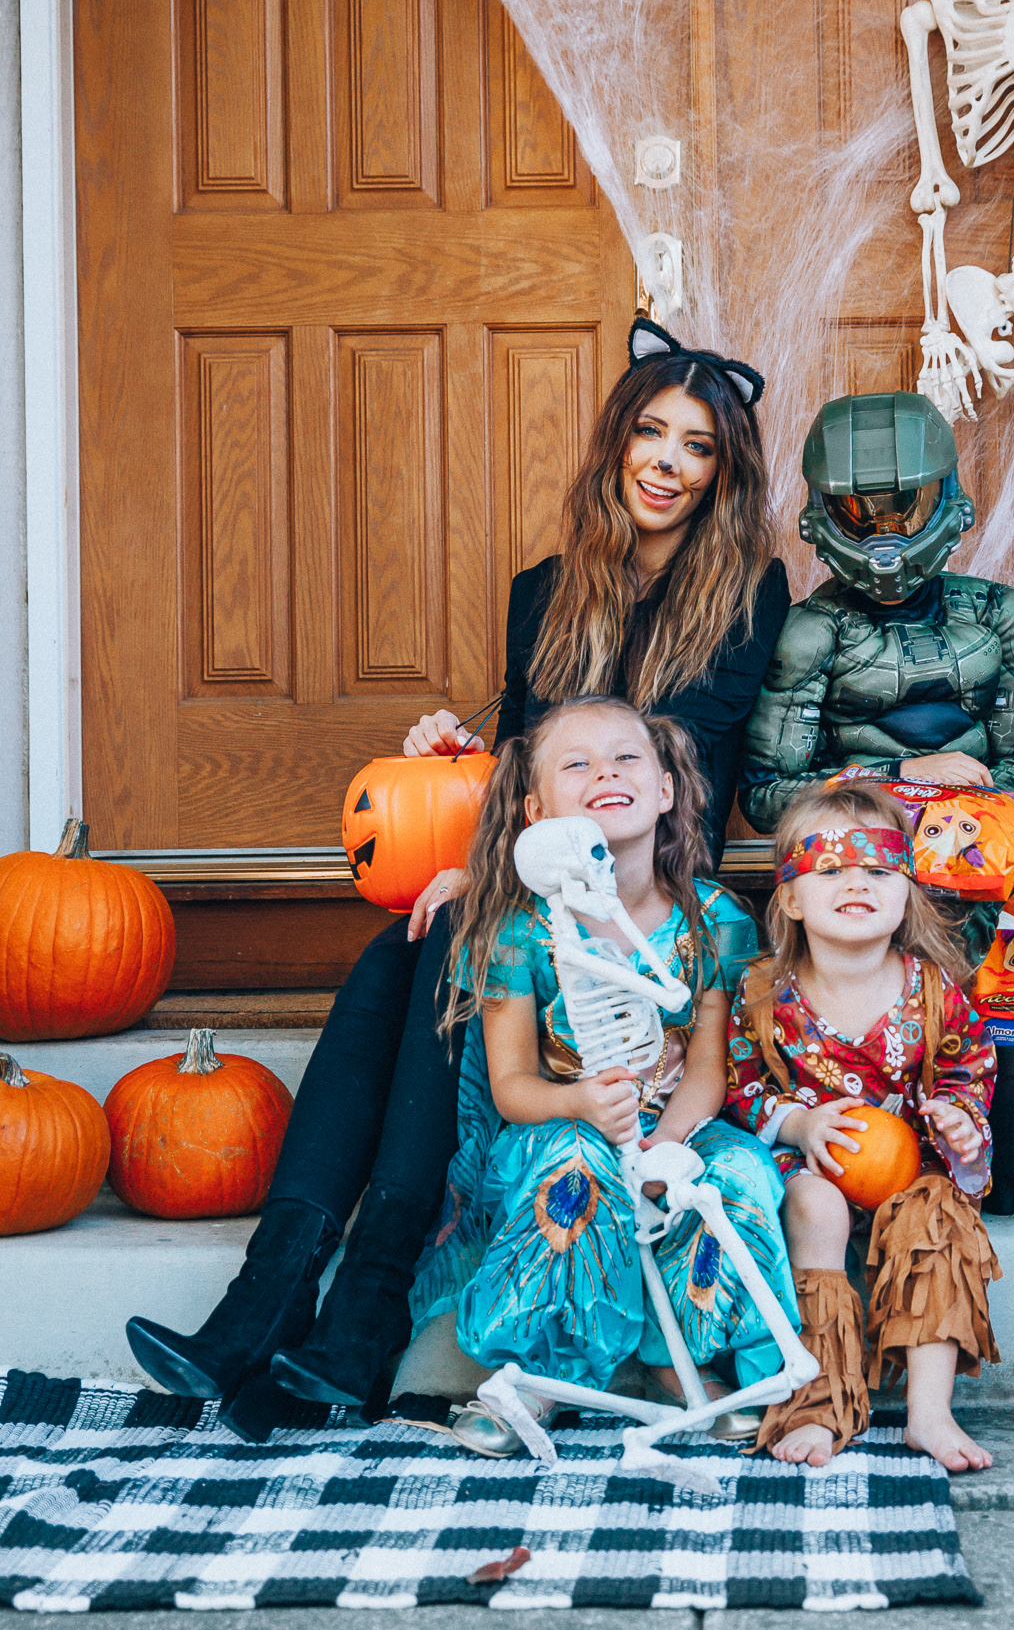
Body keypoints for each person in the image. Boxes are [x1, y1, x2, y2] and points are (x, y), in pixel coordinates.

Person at [125, 320, 789, 1440]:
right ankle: (275, 1299)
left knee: (451, 946)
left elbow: (649, 758)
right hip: (536, 862)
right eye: (648, 433)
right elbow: (528, 763)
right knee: (398, 952)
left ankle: (353, 1315)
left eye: (697, 445)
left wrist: (510, 834)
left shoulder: (746, 591)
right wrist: (466, 798)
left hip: (643, 885)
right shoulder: (545, 589)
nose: (667, 462)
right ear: (614, 447)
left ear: (724, 472)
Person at [410, 695, 797, 1457]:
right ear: (534, 810)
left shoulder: (714, 917)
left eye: (625, 759)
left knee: (738, 1173)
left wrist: (665, 1144)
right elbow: (512, 1085)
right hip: (558, 1126)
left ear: (665, 790)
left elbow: (708, 1070)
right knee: (576, 1167)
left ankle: (679, 1359)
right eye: (576, 765)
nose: (603, 774)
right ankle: (538, 1373)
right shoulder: (516, 929)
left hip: (678, 1120)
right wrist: (582, 1104)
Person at [725, 780, 1000, 1474]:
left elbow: (967, 1070)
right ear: (788, 896)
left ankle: (929, 1414)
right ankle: (818, 1403)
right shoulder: (764, 997)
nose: (857, 883)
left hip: (910, 1167)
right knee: (813, 1205)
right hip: (809, 1169)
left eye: (878, 870)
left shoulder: (933, 990)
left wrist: (960, 1124)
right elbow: (737, 1085)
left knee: (937, 1212)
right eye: (830, 870)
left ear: (905, 889)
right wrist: (795, 1123)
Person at [738, 392, 1014, 833]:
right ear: (818, 516)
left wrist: (953, 825)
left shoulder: (1003, 616)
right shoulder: (811, 634)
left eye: (907, 510)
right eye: (857, 514)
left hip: (971, 845)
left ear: (952, 504)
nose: (885, 539)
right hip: (851, 851)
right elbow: (766, 796)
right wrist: (901, 781)